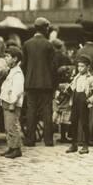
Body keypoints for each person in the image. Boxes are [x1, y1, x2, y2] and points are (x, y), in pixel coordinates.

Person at [22, 17, 55, 147]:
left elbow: (24, 65)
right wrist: (54, 83)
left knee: (31, 111)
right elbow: (52, 67)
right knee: (47, 111)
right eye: (47, 28)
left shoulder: (27, 44)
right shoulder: (48, 44)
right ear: (44, 29)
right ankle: (48, 140)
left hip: (30, 84)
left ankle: (30, 139)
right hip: (46, 84)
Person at [66, 56, 93, 154]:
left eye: (82, 66)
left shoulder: (91, 79)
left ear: (88, 67)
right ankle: (74, 144)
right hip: (75, 101)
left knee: (84, 124)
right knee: (73, 122)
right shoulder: (77, 77)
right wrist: (67, 90)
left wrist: (89, 100)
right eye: (79, 66)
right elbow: (72, 87)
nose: (80, 68)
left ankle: (85, 145)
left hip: (84, 102)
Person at [0, 47, 25, 159]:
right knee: (8, 126)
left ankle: (16, 149)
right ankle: (11, 147)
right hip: (6, 102)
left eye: (8, 57)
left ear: (15, 59)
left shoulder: (18, 73)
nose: (6, 59)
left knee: (13, 125)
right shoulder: (12, 71)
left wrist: (13, 103)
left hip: (11, 104)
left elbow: (17, 90)